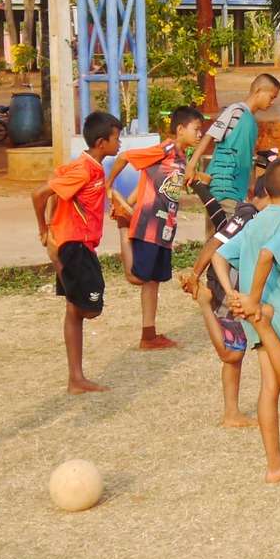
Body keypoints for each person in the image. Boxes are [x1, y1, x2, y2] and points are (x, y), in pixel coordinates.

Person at [214, 156, 280, 483]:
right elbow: (267, 255)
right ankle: (264, 322)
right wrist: (255, 301)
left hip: (255, 313)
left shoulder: (255, 222)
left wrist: (233, 293)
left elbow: (219, 255)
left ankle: (275, 464)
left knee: (269, 388)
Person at [33, 109, 122, 394]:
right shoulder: (83, 169)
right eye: (116, 138)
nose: (120, 143)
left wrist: (53, 224)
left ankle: (76, 378)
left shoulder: (88, 167)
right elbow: (40, 194)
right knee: (90, 308)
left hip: (79, 245)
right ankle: (76, 378)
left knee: (74, 309)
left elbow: (57, 190)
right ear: (101, 142)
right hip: (75, 246)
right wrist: (45, 229)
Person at [180, 174, 271, 428]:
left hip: (235, 290)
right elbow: (216, 241)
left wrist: (199, 187)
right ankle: (204, 303)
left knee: (237, 354)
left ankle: (232, 412)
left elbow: (217, 217)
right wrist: (195, 275)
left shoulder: (248, 215)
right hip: (227, 289)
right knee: (231, 352)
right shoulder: (249, 216)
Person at [115, 104, 204, 351]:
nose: (199, 134)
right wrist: (110, 186)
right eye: (196, 129)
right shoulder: (164, 149)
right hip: (148, 225)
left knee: (152, 281)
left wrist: (128, 201)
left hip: (165, 228)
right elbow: (125, 157)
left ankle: (149, 335)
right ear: (180, 129)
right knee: (137, 276)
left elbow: (148, 180)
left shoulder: (182, 159)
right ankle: (123, 229)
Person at [189, 72, 280, 230]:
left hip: (236, 190)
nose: (272, 102)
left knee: (222, 237)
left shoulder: (251, 122)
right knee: (229, 236)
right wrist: (191, 165)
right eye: (271, 97)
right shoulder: (236, 111)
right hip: (224, 187)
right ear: (259, 90)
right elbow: (210, 135)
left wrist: (251, 186)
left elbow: (244, 158)